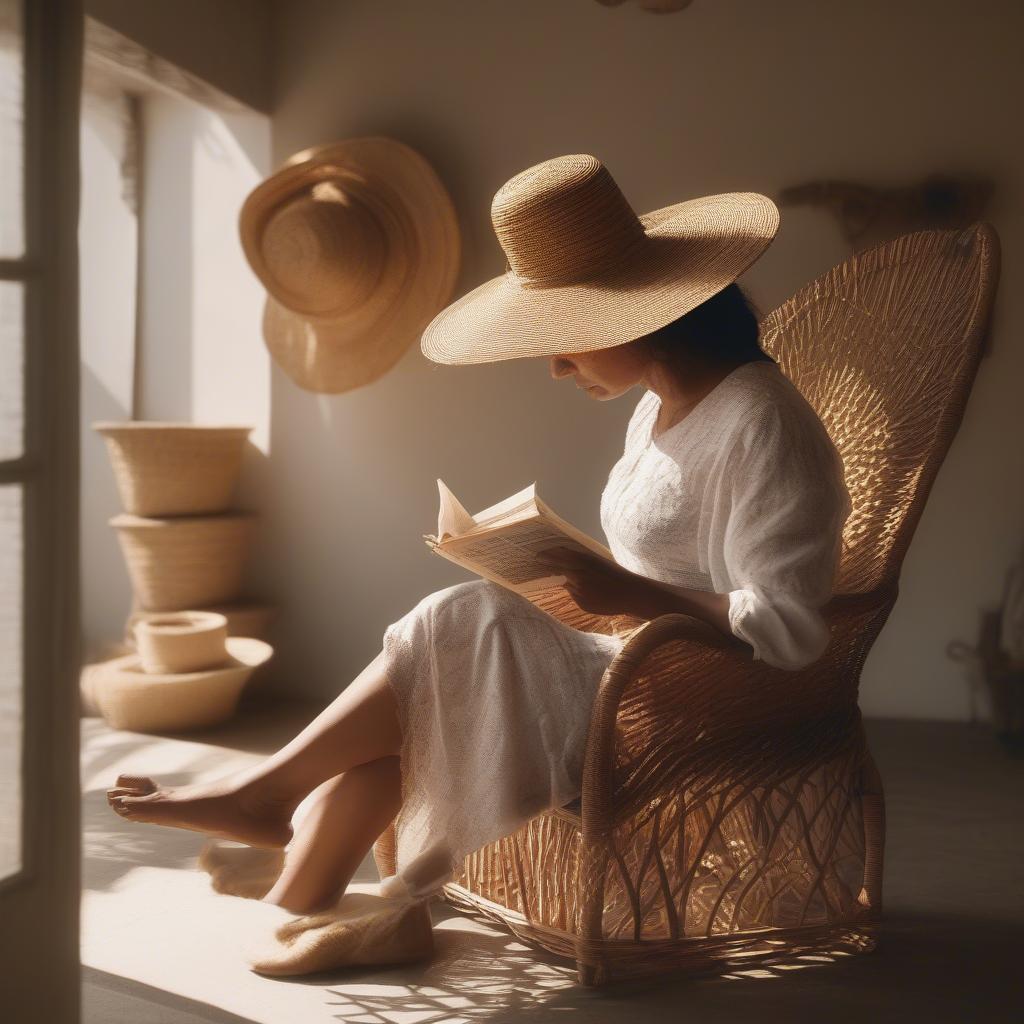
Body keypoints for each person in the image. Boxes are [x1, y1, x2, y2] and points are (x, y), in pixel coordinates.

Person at [107, 154, 853, 971]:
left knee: (453, 627)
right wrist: (566, 574)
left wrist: (628, 591)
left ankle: (286, 819)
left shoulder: (762, 422)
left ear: (641, 314)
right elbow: (665, 572)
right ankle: (305, 892)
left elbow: (789, 630)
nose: (556, 366)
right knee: (436, 666)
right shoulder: (660, 408)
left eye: (565, 339)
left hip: (695, 696)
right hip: (629, 659)